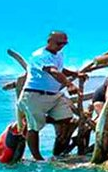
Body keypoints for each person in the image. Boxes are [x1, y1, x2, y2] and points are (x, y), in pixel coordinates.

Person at [16, 31, 86, 161]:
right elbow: (53, 71)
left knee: (67, 118)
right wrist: (69, 84)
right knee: (34, 128)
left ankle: (39, 119)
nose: (62, 46)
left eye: (65, 43)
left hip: (53, 96)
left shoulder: (59, 54)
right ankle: (38, 158)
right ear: (49, 41)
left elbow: (60, 69)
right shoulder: (38, 56)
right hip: (34, 95)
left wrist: (76, 74)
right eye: (59, 43)